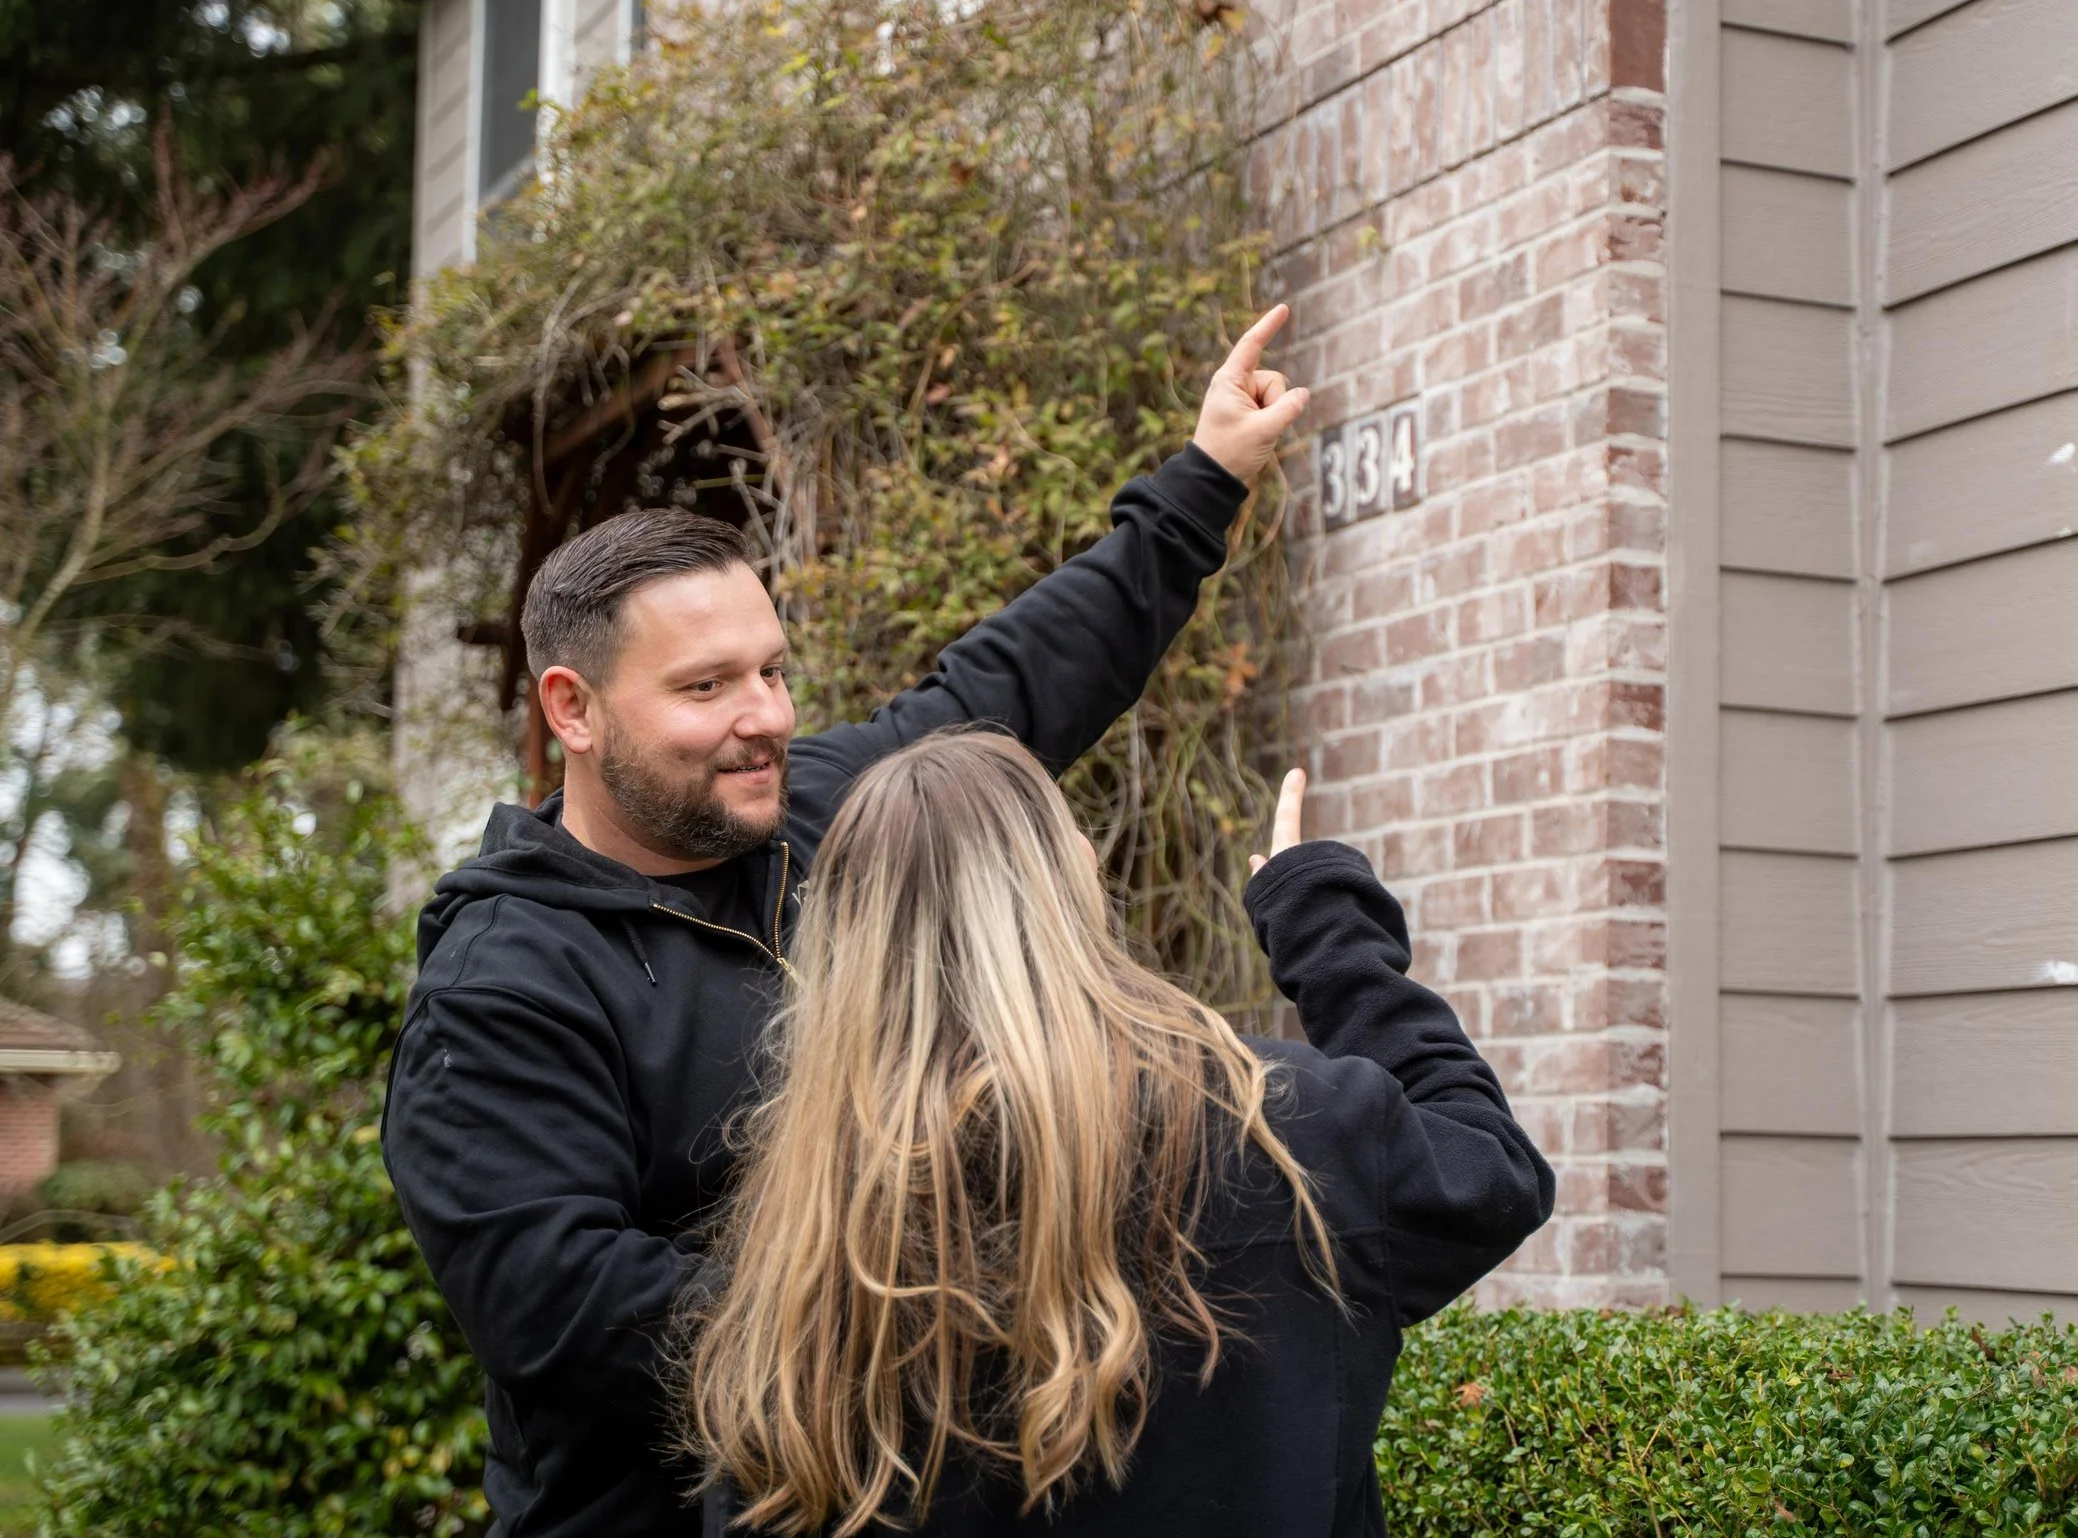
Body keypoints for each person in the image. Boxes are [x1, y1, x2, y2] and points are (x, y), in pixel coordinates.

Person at [382, 308, 1311, 1538]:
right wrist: (922, 1324)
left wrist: (1199, 486)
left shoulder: (818, 811)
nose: (761, 714)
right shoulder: (503, 986)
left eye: (770, 669)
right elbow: (564, 1304)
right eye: (705, 686)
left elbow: (1009, 689)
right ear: (575, 707)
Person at [686, 741, 1555, 1538]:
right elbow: (1491, 1168)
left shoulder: (808, 1227)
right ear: (1076, 886)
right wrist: (1325, 927)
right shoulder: (1280, 1128)